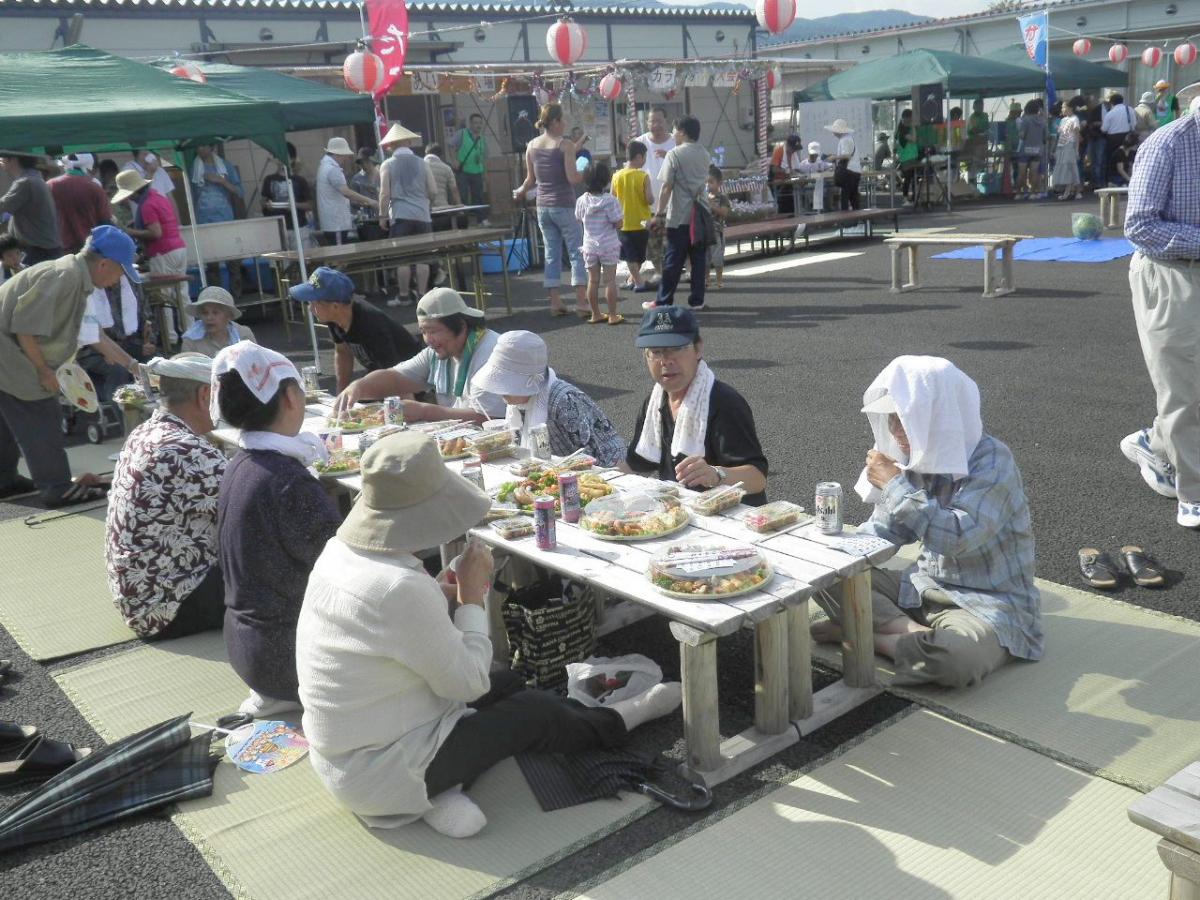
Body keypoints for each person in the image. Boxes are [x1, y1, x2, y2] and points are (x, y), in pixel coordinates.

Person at [296, 431, 681, 837]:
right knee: (532, 711)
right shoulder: (397, 588)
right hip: (385, 768)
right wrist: (472, 597)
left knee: (512, 680)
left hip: (348, 755)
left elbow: (384, 627)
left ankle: (438, 794)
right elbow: (469, 684)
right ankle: (622, 718)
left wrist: (443, 594)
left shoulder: (341, 553)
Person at [810, 356, 1042, 689]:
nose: (896, 434)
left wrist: (893, 485)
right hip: (921, 589)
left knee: (957, 659)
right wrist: (834, 555)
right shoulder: (917, 459)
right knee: (825, 573)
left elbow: (957, 539)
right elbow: (885, 532)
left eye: (904, 420)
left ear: (940, 416)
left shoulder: (993, 461)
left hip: (987, 602)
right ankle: (911, 634)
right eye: (891, 421)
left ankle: (867, 635)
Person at [213, 342, 341, 715]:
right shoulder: (287, 482)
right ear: (288, 397)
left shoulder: (243, 462)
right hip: (289, 658)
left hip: (248, 648)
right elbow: (349, 571)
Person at [0, 225, 141, 505]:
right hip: (9, 349)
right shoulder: (64, 277)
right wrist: (44, 370)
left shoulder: (75, 276)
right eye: (119, 272)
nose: (117, 281)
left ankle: (4, 479)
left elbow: (93, 335)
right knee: (40, 409)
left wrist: (134, 366)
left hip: (9, 347)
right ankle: (56, 486)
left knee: (7, 418)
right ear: (103, 264)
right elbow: (24, 328)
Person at [106, 353, 227, 640]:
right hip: (168, 604)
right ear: (205, 395)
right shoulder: (185, 450)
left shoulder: (146, 431)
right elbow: (256, 501)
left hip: (141, 594)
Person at [1122, 109, 1200, 528]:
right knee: (1183, 386)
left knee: (1191, 383)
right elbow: (1139, 225)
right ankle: (1194, 492)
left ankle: (1153, 443)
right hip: (1172, 271)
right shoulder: (1168, 143)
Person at [623, 306, 767, 505]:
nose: (666, 361)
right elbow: (635, 464)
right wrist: (591, 477)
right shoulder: (654, 402)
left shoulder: (724, 402)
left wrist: (716, 474)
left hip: (733, 518)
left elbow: (757, 478)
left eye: (675, 348)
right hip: (679, 513)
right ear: (645, 357)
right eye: (656, 352)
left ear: (698, 349)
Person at [334, 287, 505, 424]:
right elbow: (394, 378)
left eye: (433, 331)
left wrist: (425, 411)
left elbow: (491, 419)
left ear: (460, 325)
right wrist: (359, 387)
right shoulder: (437, 352)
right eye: (423, 331)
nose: (428, 340)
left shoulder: (491, 353)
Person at [473, 330, 625, 465]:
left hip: (608, 468)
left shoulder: (565, 401)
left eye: (506, 384)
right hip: (559, 471)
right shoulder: (517, 403)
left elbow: (591, 454)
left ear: (528, 382)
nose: (501, 392)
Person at [290, 266, 420, 394]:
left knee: (364, 397)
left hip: (414, 380)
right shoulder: (335, 317)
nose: (309, 308)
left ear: (335, 306)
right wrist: (341, 393)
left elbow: (396, 376)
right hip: (385, 375)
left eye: (313, 303)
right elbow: (342, 353)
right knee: (353, 398)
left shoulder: (371, 326)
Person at [513, 103, 588, 317]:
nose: (565, 124)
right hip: (564, 204)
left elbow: (530, 179)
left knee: (551, 253)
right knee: (576, 252)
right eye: (562, 120)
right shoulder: (565, 146)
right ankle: (581, 303)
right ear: (554, 122)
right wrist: (586, 171)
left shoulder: (532, 145)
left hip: (542, 206)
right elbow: (573, 179)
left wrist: (520, 191)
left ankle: (555, 302)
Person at [114, 168, 189, 337]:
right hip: (179, 248)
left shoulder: (146, 205)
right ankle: (189, 331)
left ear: (132, 192)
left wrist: (129, 231)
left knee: (164, 296)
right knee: (182, 294)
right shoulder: (158, 197)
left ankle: (170, 336)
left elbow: (156, 233)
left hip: (163, 253)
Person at [648, 115, 711, 311]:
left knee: (673, 260)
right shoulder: (704, 153)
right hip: (701, 213)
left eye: (674, 130)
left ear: (682, 132)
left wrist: (658, 213)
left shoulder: (674, 154)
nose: (673, 134)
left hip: (680, 216)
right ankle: (697, 300)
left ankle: (664, 300)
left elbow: (667, 187)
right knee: (698, 260)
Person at [378, 123, 436, 305]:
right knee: (423, 257)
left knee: (402, 257)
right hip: (422, 215)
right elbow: (433, 190)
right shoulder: (422, 162)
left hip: (400, 214)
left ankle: (404, 296)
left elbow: (384, 193)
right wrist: (427, 204)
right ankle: (422, 295)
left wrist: (382, 215)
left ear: (391, 145)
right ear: (409, 142)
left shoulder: (387, 164)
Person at [191, 143, 243, 298]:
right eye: (198, 146)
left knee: (233, 262)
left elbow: (240, 192)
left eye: (203, 146)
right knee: (212, 264)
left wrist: (221, 181)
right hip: (204, 221)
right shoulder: (194, 168)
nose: (200, 149)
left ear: (212, 147)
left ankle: (236, 299)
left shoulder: (225, 166)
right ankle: (216, 299)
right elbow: (192, 197)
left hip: (226, 219)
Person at [574, 160, 624, 325]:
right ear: (606, 180)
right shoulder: (610, 200)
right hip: (608, 245)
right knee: (610, 281)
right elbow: (618, 223)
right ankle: (612, 315)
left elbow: (578, 219)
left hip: (589, 246)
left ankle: (595, 314)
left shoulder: (582, 200)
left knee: (593, 280)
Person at [634, 107, 677, 280]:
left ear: (666, 121)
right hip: (648, 204)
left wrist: (669, 156)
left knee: (676, 240)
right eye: (652, 121)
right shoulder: (639, 142)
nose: (656, 125)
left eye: (659, 120)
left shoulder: (675, 142)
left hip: (674, 204)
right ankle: (659, 272)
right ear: (646, 122)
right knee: (653, 243)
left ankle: (686, 269)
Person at [610, 140, 656, 294]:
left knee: (630, 255)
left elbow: (612, 198)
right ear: (638, 156)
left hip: (624, 224)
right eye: (644, 157)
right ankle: (639, 283)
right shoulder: (643, 176)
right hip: (642, 223)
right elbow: (649, 199)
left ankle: (632, 279)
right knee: (639, 256)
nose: (644, 161)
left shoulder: (616, 176)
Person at [0, 154, 61, 265]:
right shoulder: (35, 179)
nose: (1, 159)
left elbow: (2, 206)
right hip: (43, 250)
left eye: (3, 156)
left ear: (13, 159)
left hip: (37, 252)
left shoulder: (25, 182)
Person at [316, 136, 375, 247]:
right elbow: (346, 192)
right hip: (336, 223)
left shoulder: (324, 167)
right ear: (337, 154)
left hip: (332, 222)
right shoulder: (332, 169)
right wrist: (370, 201)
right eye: (345, 156)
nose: (346, 159)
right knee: (339, 255)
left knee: (337, 253)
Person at [47, 153, 112, 254]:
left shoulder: (50, 186)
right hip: (90, 251)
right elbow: (105, 224)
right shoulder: (94, 188)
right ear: (90, 167)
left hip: (58, 252)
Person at [181, 286, 256, 357]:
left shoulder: (244, 335)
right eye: (205, 313)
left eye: (215, 313)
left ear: (229, 316)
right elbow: (186, 369)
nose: (209, 318)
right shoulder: (191, 341)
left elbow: (257, 363)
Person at [260, 142, 313, 235]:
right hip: (276, 227)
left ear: (292, 159)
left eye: (283, 155)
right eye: (278, 154)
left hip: (298, 227)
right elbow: (263, 201)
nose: (279, 157)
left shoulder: (300, 180)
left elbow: (310, 205)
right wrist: (267, 205)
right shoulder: (269, 179)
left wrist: (294, 205)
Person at [451, 112, 488, 211]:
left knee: (479, 196)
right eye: (476, 123)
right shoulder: (462, 133)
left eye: (480, 123)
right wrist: (454, 160)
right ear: (470, 124)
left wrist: (485, 173)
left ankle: (481, 220)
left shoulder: (482, 138)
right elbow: (452, 147)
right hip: (463, 171)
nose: (478, 125)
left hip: (477, 172)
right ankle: (465, 221)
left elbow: (484, 157)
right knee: (463, 196)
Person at [827, 118, 862, 211]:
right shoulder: (848, 138)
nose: (833, 133)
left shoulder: (844, 140)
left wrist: (834, 157)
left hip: (849, 171)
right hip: (855, 171)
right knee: (853, 197)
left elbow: (847, 156)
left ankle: (846, 220)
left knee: (845, 197)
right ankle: (856, 219)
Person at [1101, 93, 1136, 187]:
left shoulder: (1110, 113)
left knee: (1113, 161)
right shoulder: (1130, 110)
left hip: (1113, 139)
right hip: (1127, 137)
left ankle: (1114, 181)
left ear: (1111, 103)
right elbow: (1134, 124)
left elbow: (1104, 129)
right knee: (1128, 160)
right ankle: (1127, 180)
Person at [705, 166, 731, 290]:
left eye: (711, 182)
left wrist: (712, 206)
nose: (708, 185)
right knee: (705, 258)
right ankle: (707, 279)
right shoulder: (704, 197)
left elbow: (724, 213)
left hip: (717, 232)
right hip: (705, 232)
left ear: (719, 183)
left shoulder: (722, 198)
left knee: (717, 257)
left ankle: (719, 279)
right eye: (706, 182)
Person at [1016, 99, 1047, 200]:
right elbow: (1046, 136)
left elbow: (1022, 135)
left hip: (1025, 149)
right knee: (1034, 172)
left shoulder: (1025, 120)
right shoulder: (1042, 121)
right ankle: (1033, 192)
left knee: (1022, 172)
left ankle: (1019, 193)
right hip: (1038, 149)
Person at [1052, 108, 1083, 201]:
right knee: (1068, 169)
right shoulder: (1063, 120)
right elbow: (1060, 134)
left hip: (1070, 145)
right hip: (1061, 145)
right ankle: (1074, 191)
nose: (1062, 109)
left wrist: (1077, 149)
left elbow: (1077, 135)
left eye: (1064, 107)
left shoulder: (1075, 119)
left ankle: (1069, 192)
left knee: (1070, 168)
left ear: (1069, 108)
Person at [769, 134, 803, 215]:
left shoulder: (793, 154)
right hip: (779, 181)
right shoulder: (779, 151)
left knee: (795, 194)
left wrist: (799, 173)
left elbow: (797, 168)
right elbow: (774, 169)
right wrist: (786, 171)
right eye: (793, 148)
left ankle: (796, 213)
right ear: (788, 145)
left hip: (789, 180)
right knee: (785, 201)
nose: (794, 151)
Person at [796, 142, 834, 212]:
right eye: (812, 155)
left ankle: (827, 210)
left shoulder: (821, 162)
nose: (814, 156)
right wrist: (803, 177)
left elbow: (831, 167)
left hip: (821, 187)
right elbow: (797, 174)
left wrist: (824, 172)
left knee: (830, 188)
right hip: (808, 187)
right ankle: (812, 209)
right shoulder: (802, 165)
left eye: (815, 154)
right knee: (809, 192)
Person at [423, 142, 461, 211]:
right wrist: (460, 208)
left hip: (425, 208)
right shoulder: (447, 168)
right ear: (441, 155)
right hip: (443, 207)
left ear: (426, 153)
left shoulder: (419, 167)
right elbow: (454, 190)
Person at [895, 110, 919, 203]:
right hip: (907, 158)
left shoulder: (901, 128)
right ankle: (905, 198)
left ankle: (913, 197)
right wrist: (913, 126)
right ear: (908, 118)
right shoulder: (902, 130)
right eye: (911, 118)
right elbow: (914, 139)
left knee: (913, 178)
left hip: (911, 157)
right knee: (908, 179)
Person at [965, 99, 990, 178]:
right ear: (974, 107)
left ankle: (981, 179)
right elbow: (974, 130)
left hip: (983, 143)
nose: (980, 108)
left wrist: (982, 130)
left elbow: (987, 126)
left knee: (982, 164)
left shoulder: (985, 115)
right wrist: (981, 130)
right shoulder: (972, 118)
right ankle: (972, 181)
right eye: (978, 106)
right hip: (974, 144)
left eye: (981, 106)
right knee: (974, 164)